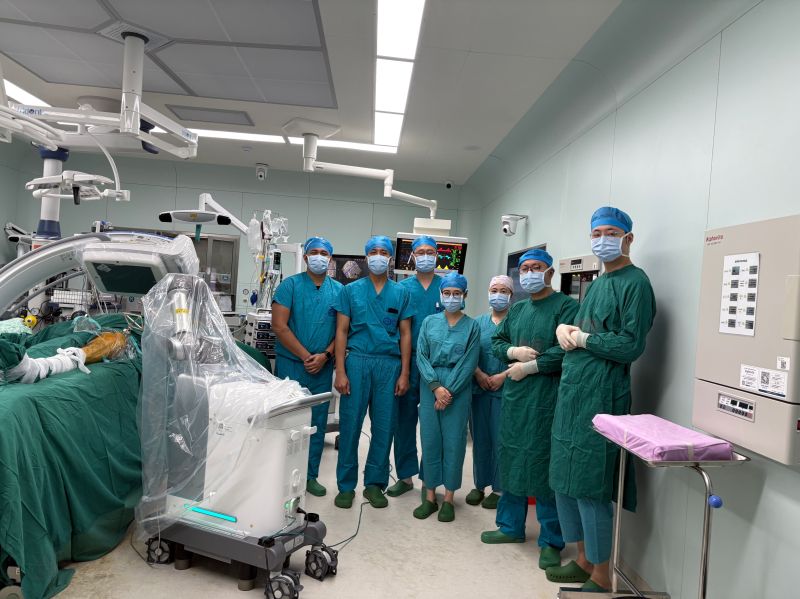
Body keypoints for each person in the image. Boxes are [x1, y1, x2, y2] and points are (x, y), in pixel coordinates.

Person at [545, 207, 656, 593]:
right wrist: (568, 330)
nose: (602, 239)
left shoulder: (635, 284)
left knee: (589, 485)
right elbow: (585, 329)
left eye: (610, 232)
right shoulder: (597, 283)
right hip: (573, 393)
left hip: (602, 395)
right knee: (564, 480)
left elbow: (630, 346)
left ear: (628, 238)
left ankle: (601, 573)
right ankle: (582, 559)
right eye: (596, 233)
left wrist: (584, 339)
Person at [480, 249, 579, 573]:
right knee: (511, 458)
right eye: (524, 269)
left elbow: (567, 351)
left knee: (544, 464)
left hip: (547, 398)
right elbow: (497, 341)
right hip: (516, 398)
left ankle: (551, 541)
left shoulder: (566, 307)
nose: (529, 273)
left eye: (536, 268)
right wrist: (512, 351)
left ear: (549, 273)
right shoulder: (518, 309)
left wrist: (533, 366)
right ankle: (510, 526)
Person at [333, 235, 413, 509]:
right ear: (366, 257)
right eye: (374, 251)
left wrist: (404, 373)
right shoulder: (350, 291)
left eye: (383, 252)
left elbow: (406, 334)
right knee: (350, 425)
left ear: (390, 258)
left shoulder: (401, 293)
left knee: (384, 426)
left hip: (389, 365)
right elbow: (341, 331)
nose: (379, 256)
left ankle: (375, 484)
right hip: (357, 361)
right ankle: (346, 486)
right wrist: (340, 370)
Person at [272, 236, 343, 497]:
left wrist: (325, 356)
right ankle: (280, 474)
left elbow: (343, 331)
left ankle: (310, 476)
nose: (319, 257)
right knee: (287, 421)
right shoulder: (289, 286)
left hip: (322, 368)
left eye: (324, 253)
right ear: (305, 257)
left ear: (330, 258)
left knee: (317, 423)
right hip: (292, 365)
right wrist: (306, 356)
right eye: (314, 252)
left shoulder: (339, 291)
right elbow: (279, 326)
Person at [413, 272, 481, 523]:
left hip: (458, 388)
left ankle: (449, 498)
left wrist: (448, 390)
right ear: (440, 295)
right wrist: (435, 387)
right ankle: (430, 496)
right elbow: (421, 355)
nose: (451, 297)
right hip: (430, 385)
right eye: (447, 293)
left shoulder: (472, 326)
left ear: (464, 295)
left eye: (456, 293)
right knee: (430, 439)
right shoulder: (429, 322)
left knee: (454, 442)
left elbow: (469, 362)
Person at [387, 235, 443, 498]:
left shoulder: (447, 287)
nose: (425, 256)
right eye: (420, 252)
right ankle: (406, 476)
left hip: (439, 365)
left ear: (437, 255)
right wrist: (404, 369)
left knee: (434, 425)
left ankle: (430, 479)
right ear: (412, 256)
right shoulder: (402, 288)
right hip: (407, 362)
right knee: (404, 421)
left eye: (430, 251)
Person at [465, 275, 513, 509]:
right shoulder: (477, 324)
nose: (498, 295)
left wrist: (502, 376)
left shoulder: (516, 322)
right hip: (480, 389)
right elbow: (468, 354)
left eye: (503, 291)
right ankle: (479, 484)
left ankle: (499, 488)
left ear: (511, 295)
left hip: (507, 389)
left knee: (500, 440)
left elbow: (522, 356)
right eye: (494, 290)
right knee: (480, 438)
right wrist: (479, 374)